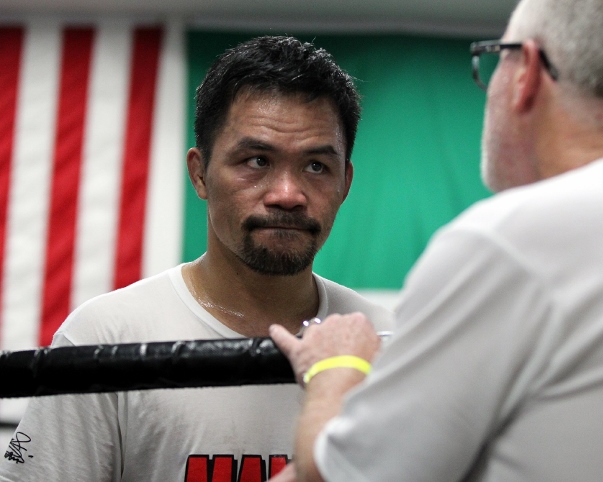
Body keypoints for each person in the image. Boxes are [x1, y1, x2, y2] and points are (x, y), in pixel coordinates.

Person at [268, 0, 603, 480]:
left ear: (525, 71)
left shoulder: (511, 240)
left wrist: (335, 367)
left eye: (494, 59)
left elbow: (342, 474)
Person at [0, 36, 394, 482]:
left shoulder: (391, 345)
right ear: (200, 173)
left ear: (345, 182)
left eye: (316, 166)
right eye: (257, 160)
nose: (288, 194)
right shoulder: (103, 336)